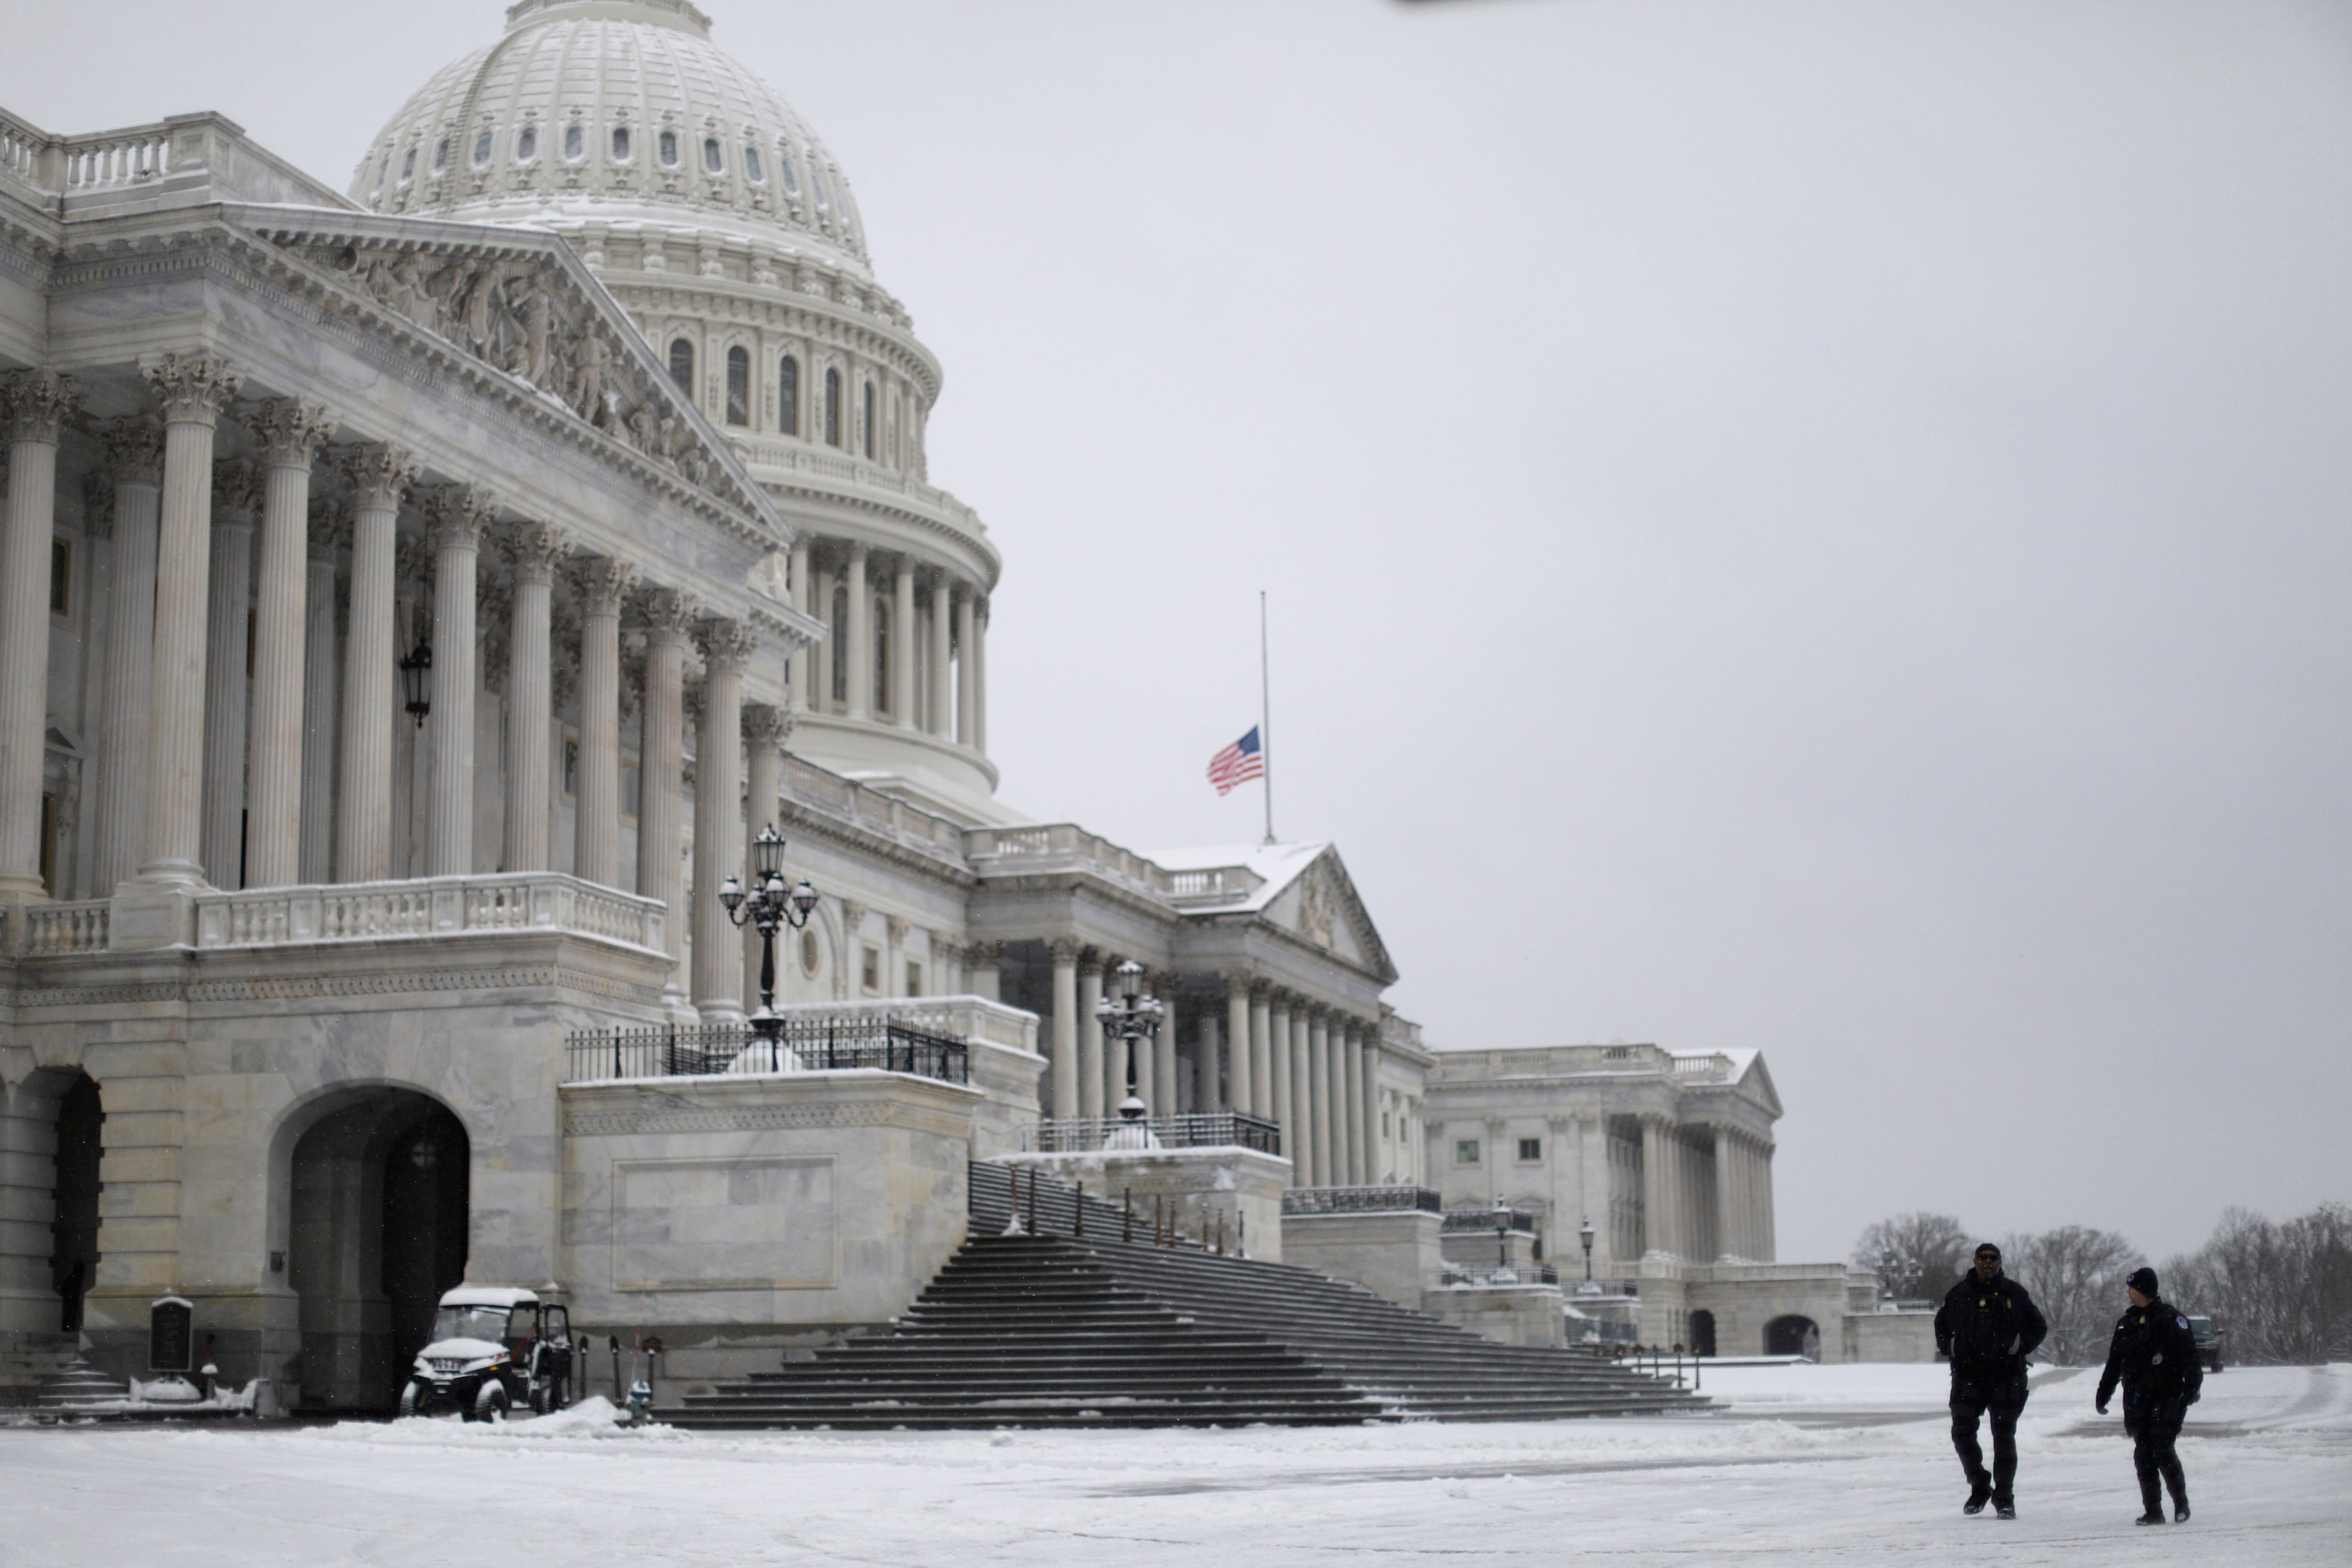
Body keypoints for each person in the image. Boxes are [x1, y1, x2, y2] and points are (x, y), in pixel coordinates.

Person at [1934, 1241, 2048, 1519]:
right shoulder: (1959, 1294)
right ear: (1974, 1261)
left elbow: (2039, 1326)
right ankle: (1980, 1485)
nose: (1988, 1262)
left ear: (1999, 1262)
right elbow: (1941, 1324)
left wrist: (2020, 1345)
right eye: (1983, 1258)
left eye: (1993, 1258)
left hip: (2006, 1376)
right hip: (1968, 1376)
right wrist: (1949, 1347)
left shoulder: (2015, 1293)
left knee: (2004, 1436)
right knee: (1961, 1434)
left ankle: (2005, 1497)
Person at [2096, 1265, 2202, 1525]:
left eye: (2132, 1288)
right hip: (2136, 1397)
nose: (2128, 1292)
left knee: (2163, 1449)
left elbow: (2191, 1359)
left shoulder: (2171, 1319)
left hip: (2167, 1395)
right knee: (2143, 1454)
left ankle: (2181, 1504)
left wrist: (2191, 1390)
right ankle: (2153, 1510)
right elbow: (2114, 1363)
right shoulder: (2126, 1324)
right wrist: (2103, 1393)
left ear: (2144, 1290)